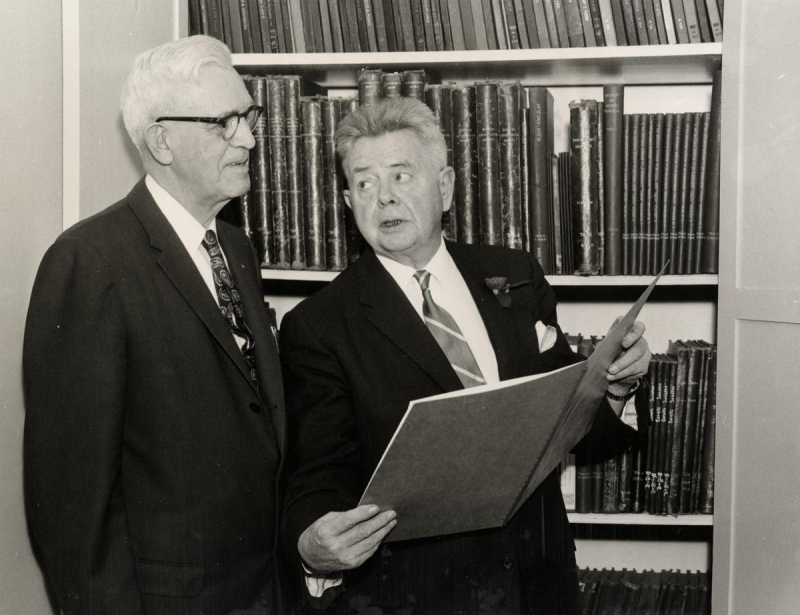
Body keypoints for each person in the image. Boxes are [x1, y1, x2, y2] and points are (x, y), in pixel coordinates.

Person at [279, 97, 652, 614]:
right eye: (364, 183)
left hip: (538, 582)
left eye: (402, 176)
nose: (383, 198)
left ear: (447, 186)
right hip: (417, 595)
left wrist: (616, 385)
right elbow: (317, 473)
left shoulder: (517, 276)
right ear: (348, 201)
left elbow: (571, 427)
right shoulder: (318, 326)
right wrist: (313, 542)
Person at [23, 35, 284, 614]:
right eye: (224, 123)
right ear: (162, 140)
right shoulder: (89, 263)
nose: (250, 137)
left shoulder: (236, 249)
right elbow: (72, 510)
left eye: (249, 115)